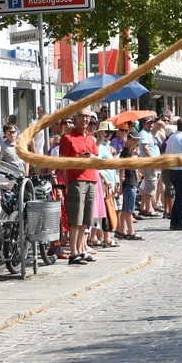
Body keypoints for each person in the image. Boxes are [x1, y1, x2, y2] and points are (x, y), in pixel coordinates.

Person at [58, 111, 101, 264]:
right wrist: (79, 159)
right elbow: (62, 162)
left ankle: (81, 249)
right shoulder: (68, 138)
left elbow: (96, 157)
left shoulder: (90, 138)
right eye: (82, 116)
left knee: (86, 218)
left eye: (87, 117)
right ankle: (74, 252)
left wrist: (92, 158)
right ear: (75, 118)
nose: (85, 119)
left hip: (91, 179)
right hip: (76, 179)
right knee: (75, 217)